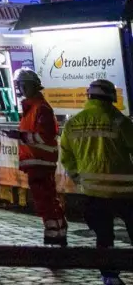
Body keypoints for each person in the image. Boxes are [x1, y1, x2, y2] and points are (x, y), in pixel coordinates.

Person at [61, 79, 133, 285]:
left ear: (89, 96)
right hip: (125, 191)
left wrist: (78, 178)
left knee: (104, 237)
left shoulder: (73, 123)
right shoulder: (120, 122)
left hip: (92, 192)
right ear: (111, 97)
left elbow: (66, 156)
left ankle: (109, 276)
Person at [4, 69, 67, 246]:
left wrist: (21, 136)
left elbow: (45, 136)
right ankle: (56, 235)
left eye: (24, 85)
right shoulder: (33, 107)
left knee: (46, 202)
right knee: (45, 201)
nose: (21, 89)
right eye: (20, 85)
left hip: (41, 161)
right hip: (37, 161)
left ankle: (56, 236)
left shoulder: (40, 108)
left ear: (33, 86)